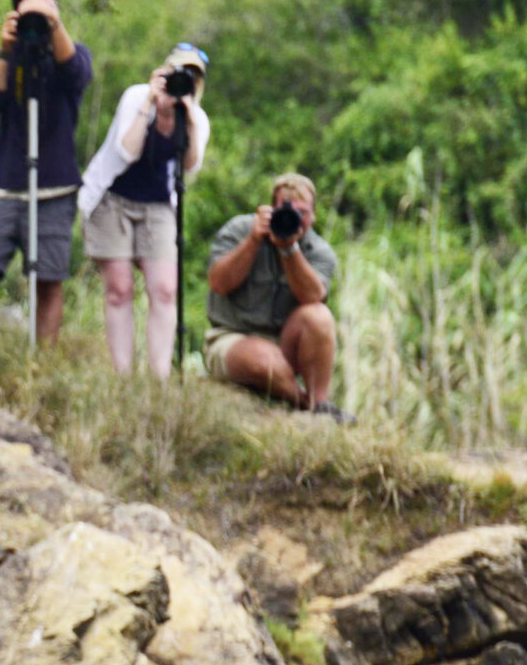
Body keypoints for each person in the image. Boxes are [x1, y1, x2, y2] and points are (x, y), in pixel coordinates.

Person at [0, 0, 93, 350]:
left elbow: (77, 75)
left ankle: (40, 367)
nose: (38, 19)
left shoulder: (72, 54)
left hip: (54, 187)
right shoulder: (6, 57)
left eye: (46, 9)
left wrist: (52, 25)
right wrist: (5, 50)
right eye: (29, 11)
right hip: (2, 184)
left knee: (48, 279)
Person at [78, 45, 211, 377]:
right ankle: (124, 376)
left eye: (192, 77)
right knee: (120, 288)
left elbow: (191, 166)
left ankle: (160, 378)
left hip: (159, 206)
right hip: (112, 199)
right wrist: (152, 103)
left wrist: (187, 118)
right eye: (178, 73)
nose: (185, 81)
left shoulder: (196, 117)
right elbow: (126, 150)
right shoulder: (137, 97)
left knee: (165, 288)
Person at [203, 172, 348, 419]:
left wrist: (289, 249)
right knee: (265, 362)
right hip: (231, 339)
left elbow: (313, 296)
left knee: (320, 316)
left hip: (283, 344)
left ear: (313, 216)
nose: (294, 218)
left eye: (302, 212)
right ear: (270, 209)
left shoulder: (320, 251)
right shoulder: (240, 230)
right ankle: (308, 406)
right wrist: (252, 241)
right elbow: (218, 283)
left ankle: (319, 400)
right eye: (286, 210)